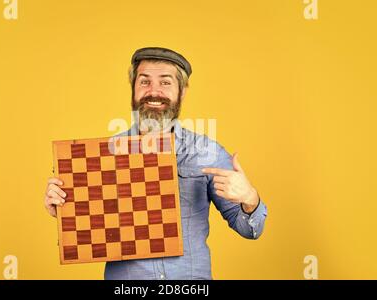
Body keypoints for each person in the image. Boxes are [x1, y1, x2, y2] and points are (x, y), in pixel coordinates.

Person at [44, 47, 268, 279]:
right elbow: (90, 236)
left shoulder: (207, 152)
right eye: (144, 82)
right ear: (133, 89)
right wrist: (65, 209)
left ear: (181, 92)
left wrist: (250, 199)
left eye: (165, 82)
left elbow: (250, 230)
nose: (154, 92)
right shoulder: (102, 156)